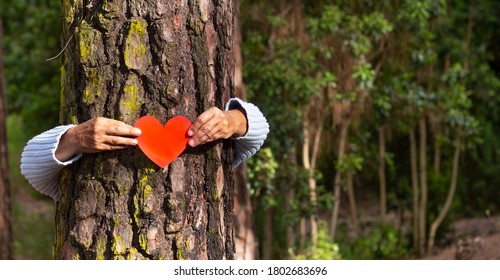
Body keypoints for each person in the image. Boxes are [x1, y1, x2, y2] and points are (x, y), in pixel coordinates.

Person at [20, 97, 269, 201]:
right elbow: (32, 167)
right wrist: (72, 138)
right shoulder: (71, 168)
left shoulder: (219, 149)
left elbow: (258, 133)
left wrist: (235, 119)